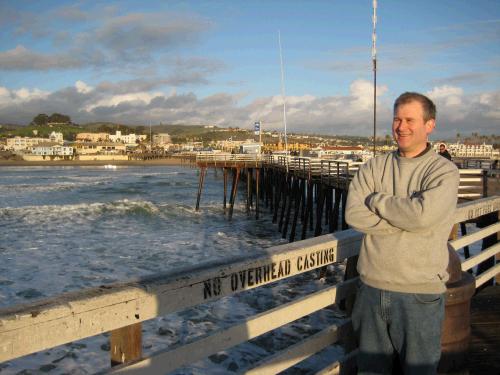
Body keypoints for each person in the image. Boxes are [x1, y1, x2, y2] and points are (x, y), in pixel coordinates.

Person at [345, 92, 459, 374]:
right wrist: (407, 221)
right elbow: (353, 214)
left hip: (419, 295)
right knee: (370, 371)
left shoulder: (443, 171)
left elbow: (421, 217)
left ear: (429, 125)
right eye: (397, 119)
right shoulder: (374, 166)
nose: (401, 127)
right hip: (370, 289)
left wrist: (376, 201)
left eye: (410, 119)